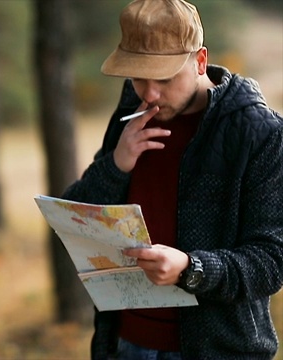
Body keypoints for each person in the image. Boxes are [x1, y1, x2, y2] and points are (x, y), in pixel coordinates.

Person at [60, 0, 283, 359]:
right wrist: (116, 164)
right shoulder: (131, 113)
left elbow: (272, 261)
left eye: (163, 79)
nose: (149, 94)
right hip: (125, 343)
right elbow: (78, 217)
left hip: (219, 351)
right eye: (137, 77)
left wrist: (191, 269)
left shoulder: (259, 134)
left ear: (199, 62)